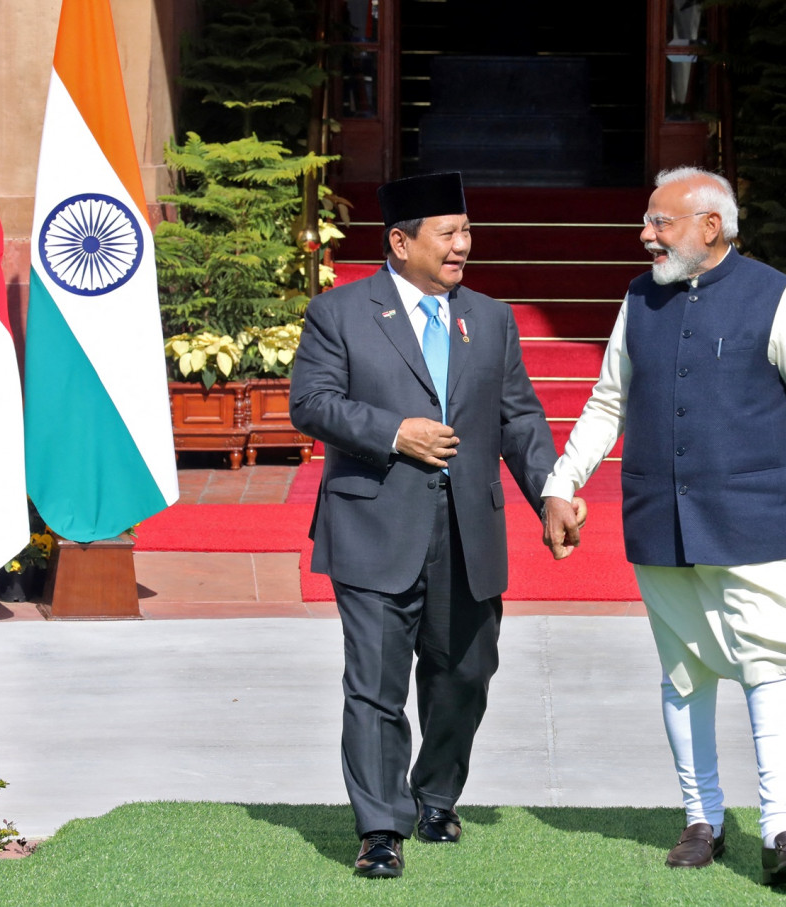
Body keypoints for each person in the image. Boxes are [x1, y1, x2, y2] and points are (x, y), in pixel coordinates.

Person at [541, 166, 786, 886]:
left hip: (759, 524)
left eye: (660, 222)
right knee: (685, 674)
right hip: (660, 520)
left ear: (711, 227)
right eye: (648, 221)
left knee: (769, 663)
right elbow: (608, 402)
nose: (645, 234)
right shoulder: (638, 299)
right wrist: (561, 482)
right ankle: (700, 819)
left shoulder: (779, 296)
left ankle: (780, 826)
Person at [290, 171, 582, 879]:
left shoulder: (490, 318)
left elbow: (519, 416)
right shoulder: (340, 314)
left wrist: (551, 489)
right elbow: (312, 403)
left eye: (467, 231)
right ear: (400, 241)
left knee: (465, 674)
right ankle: (380, 827)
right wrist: (396, 433)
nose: (463, 245)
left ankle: (437, 794)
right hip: (373, 529)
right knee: (374, 684)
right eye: (448, 233)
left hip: (466, 532)